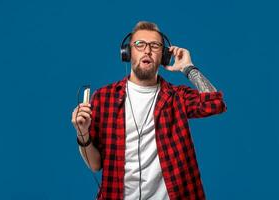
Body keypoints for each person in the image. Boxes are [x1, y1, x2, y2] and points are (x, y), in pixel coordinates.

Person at [71, 21, 227, 200]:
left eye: (155, 45)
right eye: (139, 44)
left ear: (163, 55)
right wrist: (82, 132)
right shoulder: (104, 98)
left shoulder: (176, 97)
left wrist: (187, 68)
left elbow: (216, 103)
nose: (147, 50)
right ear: (128, 52)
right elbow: (95, 165)